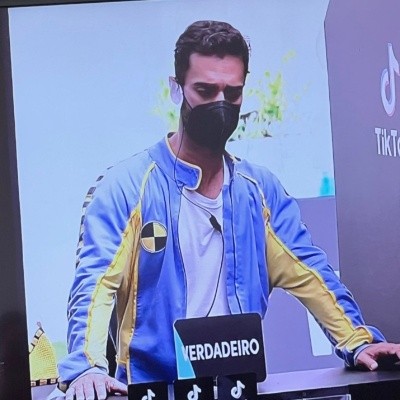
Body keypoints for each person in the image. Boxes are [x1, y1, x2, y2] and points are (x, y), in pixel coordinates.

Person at [58, 20, 400, 400]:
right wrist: (86, 367)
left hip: (239, 389)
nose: (220, 104)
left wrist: (358, 341)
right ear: (176, 88)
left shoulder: (260, 191)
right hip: (152, 391)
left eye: (232, 93)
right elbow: (95, 284)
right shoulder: (127, 187)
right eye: (205, 90)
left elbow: (310, 272)